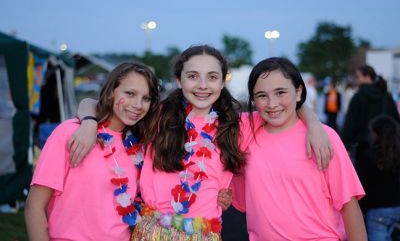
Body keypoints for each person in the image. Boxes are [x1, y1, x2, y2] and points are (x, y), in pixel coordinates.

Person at [68, 45, 333, 240]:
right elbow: (94, 102)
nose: (203, 85)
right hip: (152, 232)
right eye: (193, 76)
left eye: (212, 77)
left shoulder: (236, 124)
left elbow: (280, 107)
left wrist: (313, 122)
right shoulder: (156, 117)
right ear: (178, 80)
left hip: (203, 233)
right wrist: (90, 121)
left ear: (222, 81)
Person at [232, 57, 367, 240]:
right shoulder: (246, 131)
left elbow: (348, 205)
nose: (272, 104)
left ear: (298, 92)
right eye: (262, 95)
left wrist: (313, 123)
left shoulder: (324, 137)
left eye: (280, 92)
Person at [24, 62, 160, 241]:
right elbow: (34, 206)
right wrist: (89, 121)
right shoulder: (71, 132)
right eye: (130, 94)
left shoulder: (140, 145)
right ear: (112, 92)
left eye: (146, 98)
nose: (138, 105)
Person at [341, 65, 400, 210]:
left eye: (358, 76)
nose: (356, 80)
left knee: (367, 186)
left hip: (365, 150)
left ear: (367, 76)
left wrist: (345, 145)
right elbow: (395, 121)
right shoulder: (386, 96)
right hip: (390, 148)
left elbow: (351, 123)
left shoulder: (358, 97)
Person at [363, 115, 400, 240]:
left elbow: (364, 185)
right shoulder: (397, 155)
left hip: (377, 210)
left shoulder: (369, 156)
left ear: (376, 134)